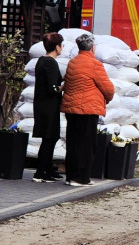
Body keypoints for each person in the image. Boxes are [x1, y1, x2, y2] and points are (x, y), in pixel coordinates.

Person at [60, 34, 115, 186]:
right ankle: (81, 178)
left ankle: (71, 176)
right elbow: (108, 88)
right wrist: (107, 100)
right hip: (88, 110)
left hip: (71, 110)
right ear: (92, 48)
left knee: (73, 143)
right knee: (86, 145)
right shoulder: (94, 64)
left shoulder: (72, 62)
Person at [32, 33, 64, 182]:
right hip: (49, 105)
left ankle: (48, 168)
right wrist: (62, 86)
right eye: (61, 45)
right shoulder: (51, 63)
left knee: (50, 137)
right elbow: (52, 87)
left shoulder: (41, 60)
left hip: (41, 104)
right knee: (49, 138)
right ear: (57, 47)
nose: (62, 48)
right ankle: (40, 172)